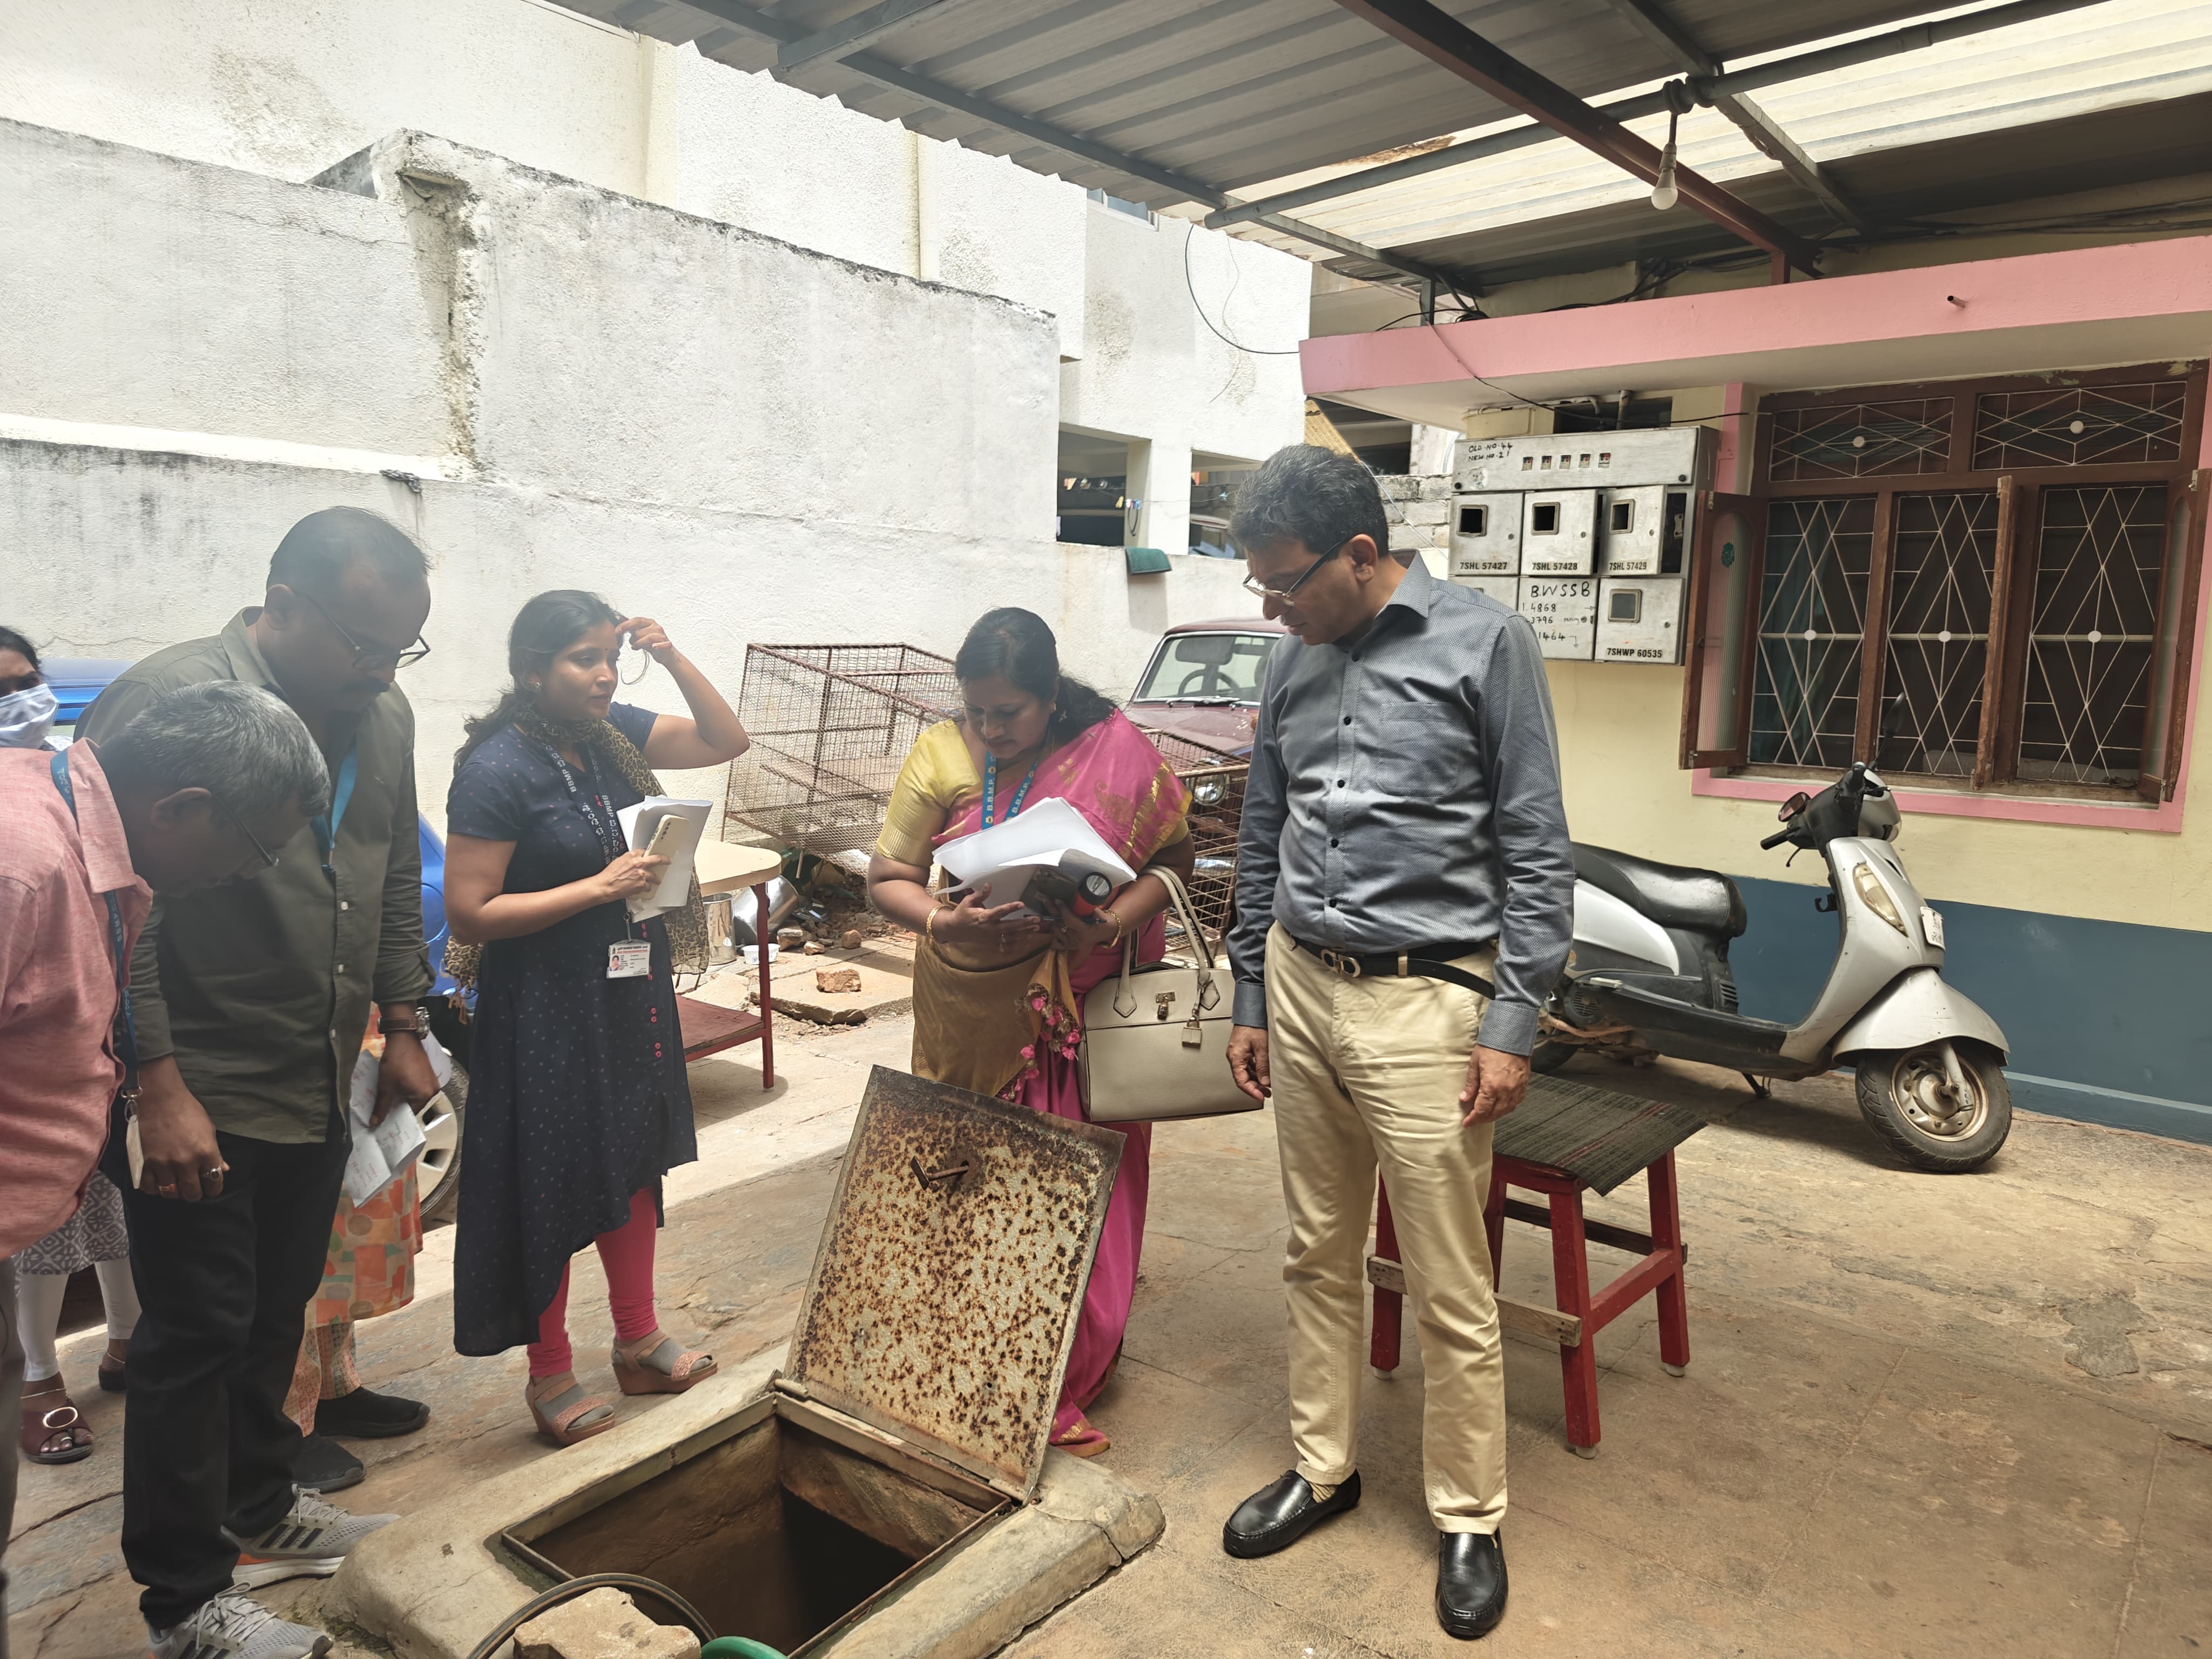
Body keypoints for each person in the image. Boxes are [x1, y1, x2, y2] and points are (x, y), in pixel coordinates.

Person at [1217, 447, 1574, 1642]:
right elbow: (1261, 823)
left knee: (1445, 1274)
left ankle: (1468, 1514)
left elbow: (1536, 849)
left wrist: (1511, 1025)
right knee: (1315, 1248)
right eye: (1261, 589)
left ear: (1360, 556)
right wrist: (1248, 995)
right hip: (1302, 986)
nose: (1273, 609)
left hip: (1426, 1006)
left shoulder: (1485, 644)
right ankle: (1322, 1469)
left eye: (1286, 585)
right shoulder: (1288, 658)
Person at [78, 508, 444, 1659]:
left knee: (277, 1305)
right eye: (359, 645)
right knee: (195, 1330)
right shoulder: (169, 699)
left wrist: (401, 1018)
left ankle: (259, 1505)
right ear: (279, 602)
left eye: (400, 652)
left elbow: (387, 876)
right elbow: (115, 897)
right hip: (204, 1076)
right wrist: (158, 1081)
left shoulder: (381, 716)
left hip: (312, 1066)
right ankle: (186, 1605)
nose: (379, 674)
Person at [2, 681, 328, 1659]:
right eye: (255, 849)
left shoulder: (95, 851)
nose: (251, 874)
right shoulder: (24, 867)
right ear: (181, 809)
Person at [866, 608, 1195, 1458]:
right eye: (976, 711)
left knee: (1082, 1192)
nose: (988, 729)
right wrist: (943, 922)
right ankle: (981, 1360)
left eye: (1008, 712)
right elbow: (887, 877)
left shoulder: (1115, 750)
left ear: (1053, 698)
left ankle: (1059, 1376)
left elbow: (1176, 862)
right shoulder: (942, 753)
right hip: (977, 1011)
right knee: (982, 1191)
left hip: (1085, 1014)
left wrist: (1109, 924)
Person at [442, 591, 750, 1445]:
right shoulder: (498, 767)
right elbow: (470, 912)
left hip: (625, 987)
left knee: (632, 1158)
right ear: (532, 668)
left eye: (613, 656)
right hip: (542, 1005)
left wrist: (675, 654)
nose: (605, 674)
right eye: (584, 658)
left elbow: (728, 741)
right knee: (548, 1178)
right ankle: (549, 1375)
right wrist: (597, 888)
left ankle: (639, 1338)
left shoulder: (610, 738)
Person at [0, 625, 142, 1467]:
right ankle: (40, 1378)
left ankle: (127, 1343)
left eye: (26, 681)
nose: (20, 703)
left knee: (118, 1214)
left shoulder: (71, 774)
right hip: (33, 1085)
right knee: (46, 1237)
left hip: (107, 1057)